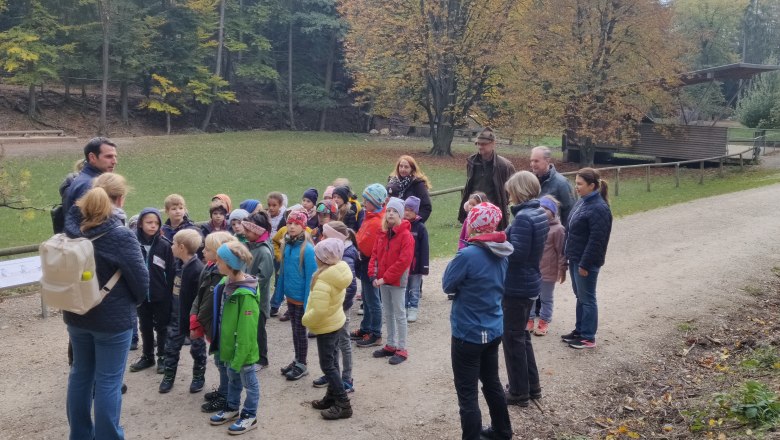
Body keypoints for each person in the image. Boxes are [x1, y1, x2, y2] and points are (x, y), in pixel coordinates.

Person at [63, 179, 148, 440]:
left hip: (76, 313)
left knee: (80, 375)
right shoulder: (120, 235)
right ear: (120, 200)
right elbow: (141, 282)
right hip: (112, 319)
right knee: (109, 381)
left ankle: (80, 435)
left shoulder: (71, 229)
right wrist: (136, 302)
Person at [442, 202, 514, 440]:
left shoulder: (468, 254)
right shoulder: (503, 250)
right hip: (493, 329)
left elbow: (447, 284)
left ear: (473, 224)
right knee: (491, 382)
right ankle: (503, 431)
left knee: (467, 392)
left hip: (468, 332)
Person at [502, 171, 549, 407]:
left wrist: (496, 247)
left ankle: (519, 391)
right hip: (529, 282)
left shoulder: (523, 217)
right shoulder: (538, 212)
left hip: (517, 285)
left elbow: (517, 253)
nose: (508, 195)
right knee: (522, 337)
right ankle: (532, 386)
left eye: (511, 190)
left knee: (512, 339)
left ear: (519, 191)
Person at [208, 242, 261, 435]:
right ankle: (232, 407)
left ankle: (250, 415)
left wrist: (239, 357)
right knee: (232, 380)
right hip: (229, 348)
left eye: (219, 260)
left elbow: (247, 332)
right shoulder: (226, 283)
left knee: (249, 382)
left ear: (230, 264)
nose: (216, 262)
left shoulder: (245, 295)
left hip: (243, 352)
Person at [303, 238, 354, 420]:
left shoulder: (324, 280)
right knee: (332, 362)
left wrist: (305, 319)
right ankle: (332, 396)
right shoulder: (338, 272)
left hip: (326, 326)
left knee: (328, 366)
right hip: (336, 322)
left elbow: (319, 310)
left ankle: (343, 403)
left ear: (322, 258)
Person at [561, 168, 612, 349]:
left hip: (585, 262)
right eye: (576, 183)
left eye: (580, 184)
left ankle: (588, 337)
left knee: (587, 298)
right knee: (580, 296)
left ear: (592, 186)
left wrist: (585, 263)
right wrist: (566, 256)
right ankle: (580, 329)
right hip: (576, 258)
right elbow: (571, 230)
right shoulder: (582, 202)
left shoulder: (599, 208)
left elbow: (597, 241)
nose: (576, 187)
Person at [191, 231, 239, 413]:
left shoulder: (224, 276)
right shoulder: (210, 268)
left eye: (208, 249)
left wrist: (198, 321)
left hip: (221, 328)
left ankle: (227, 396)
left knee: (224, 362)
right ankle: (223, 390)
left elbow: (210, 303)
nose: (203, 251)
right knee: (220, 361)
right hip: (212, 325)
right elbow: (201, 296)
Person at [311, 221, 358, 393]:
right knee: (333, 344)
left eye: (326, 236)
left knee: (343, 342)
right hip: (335, 308)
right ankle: (333, 374)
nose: (322, 238)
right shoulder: (335, 254)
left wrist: (338, 307)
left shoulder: (345, 256)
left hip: (339, 309)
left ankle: (346, 379)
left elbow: (351, 287)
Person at [159, 229, 206, 393]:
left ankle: (199, 376)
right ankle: (169, 376)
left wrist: (196, 319)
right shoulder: (176, 264)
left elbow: (201, 298)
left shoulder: (198, 270)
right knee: (170, 347)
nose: (171, 246)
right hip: (175, 317)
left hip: (192, 319)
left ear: (181, 247)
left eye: (173, 244)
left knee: (197, 348)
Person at [369, 197, 415, 365]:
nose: (390, 213)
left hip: (396, 281)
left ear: (401, 215)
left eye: (394, 211)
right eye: (388, 210)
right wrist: (373, 274)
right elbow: (374, 255)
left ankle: (402, 348)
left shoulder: (406, 236)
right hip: (382, 280)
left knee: (399, 314)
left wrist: (385, 278)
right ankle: (391, 344)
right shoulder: (382, 234)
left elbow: (403, 262)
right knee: (387, 312)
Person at [129, 208, 175, 375]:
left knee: (162, 327)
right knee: (145, 326)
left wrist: (169, 294)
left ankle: (162, 357)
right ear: (140, 224)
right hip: (141, 294)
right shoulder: (133, 244)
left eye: (156, 223)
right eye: (149, 222)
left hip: (160, 294)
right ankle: (148, 356)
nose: (153, 226)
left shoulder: (164, 245)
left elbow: (170, 272)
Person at [277, 210, 318, 380]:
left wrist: (308, 301)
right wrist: (278, 295)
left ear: (303, 227)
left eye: (296, 224)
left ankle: (302, 364)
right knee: (294, 330)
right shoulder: (287, 245)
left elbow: (311, 277)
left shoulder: (307, 249)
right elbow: (283, 272)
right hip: (291, 297)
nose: (292, 226)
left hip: (302, 299)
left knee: (300, 331)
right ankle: (297, 359)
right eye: (289, 223)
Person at [458, 128, 516, 231]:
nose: (480, 146)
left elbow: (512, 190)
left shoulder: (504, 166)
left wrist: (505, 205)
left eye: (484, 144)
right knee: (470, 241)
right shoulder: (472, 162)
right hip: (473, 213)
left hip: (493, 216)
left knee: (493, 244)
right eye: (478, 144)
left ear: (493, 143)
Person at [351, 184, 387, 348]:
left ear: (376, 202)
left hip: (371, 263)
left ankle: (375, 333)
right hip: (365, 261)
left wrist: (357, 245)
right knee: (366, 297)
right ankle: (366, 328)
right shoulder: (370, 216)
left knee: (373, 300)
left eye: (367, 200)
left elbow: (368, 245)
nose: (364, 203)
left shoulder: (377, 222)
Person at [528, 196, 567, 336]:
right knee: (531, 295)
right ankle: (530, 319)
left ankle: (544, 320)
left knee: (546, 297)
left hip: (549, 271)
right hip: (533, 270)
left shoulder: (558, 230)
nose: (542, 211)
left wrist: (562, 269)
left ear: (553, 211)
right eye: (540, 208)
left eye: (546, 208)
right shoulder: (535, 225)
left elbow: (561, 251)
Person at [241, 212, 275, 369]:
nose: (245, 233)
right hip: (248, 296)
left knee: (258, 330)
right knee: (250, 329)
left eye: (248, 231)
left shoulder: (264, 251)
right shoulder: (250, 246)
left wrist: (246, 284)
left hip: (258, 300)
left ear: (257, 231)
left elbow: (264, 277)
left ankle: (262, 359)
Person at [63, 137, 118, 217]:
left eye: (115, 157)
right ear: (92, 157)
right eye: (109, 156)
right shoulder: (89, 186)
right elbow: (95, 225)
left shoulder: (84, 179)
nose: (115, 161)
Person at [529, 146, 575, 227]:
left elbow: (570, 212)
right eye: (531, 161)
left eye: (536, 161)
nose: (532, 164)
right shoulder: (529, 182)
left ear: (547, 160)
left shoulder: (562, 183)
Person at [402, 196, 429, 323]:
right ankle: (405, 307)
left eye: (410, 210)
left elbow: (424, 249)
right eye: (405, 209)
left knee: (414, 287)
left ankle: (413, 307)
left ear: (416, 211)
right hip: (403, 265)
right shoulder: (400, 225)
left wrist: (424, 266)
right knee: (404, 287)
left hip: (416, 265)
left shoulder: (420, 228)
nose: (407, 212)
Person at [386, 155, 433, 222]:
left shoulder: (418, 184)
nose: (403, 169)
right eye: (401, 166)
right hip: (393, 222)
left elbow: (426, 207)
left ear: (412, 169)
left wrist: (416, 222)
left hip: (410, 224)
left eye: (406, 167)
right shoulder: (391, 183)